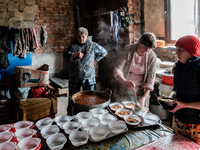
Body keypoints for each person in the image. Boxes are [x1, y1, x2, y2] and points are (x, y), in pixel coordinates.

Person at [63, 27, 107, 115]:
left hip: (89, 77)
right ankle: (71, 115)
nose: (81, 39)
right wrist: (74, 55)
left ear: (86, 36)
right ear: (76, 37)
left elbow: (104, 52)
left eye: (83, 36)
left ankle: (88, 115)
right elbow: (65, 57)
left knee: (89, 98)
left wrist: (95, 60)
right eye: (79, 37)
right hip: (75, 77)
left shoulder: (93, 45)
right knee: (73, 98)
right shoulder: (73, 46)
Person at [168, 35, 200, 145]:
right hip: (178, 119)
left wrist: (184, 105)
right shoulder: (179, 67)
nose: (177, 53)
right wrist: (171, 95)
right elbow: (177, 90)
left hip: (195, 125)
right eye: (177, 49)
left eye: (181, 50)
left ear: (192, 52)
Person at [113, 32, 157, 107]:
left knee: (139, 113)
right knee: (123, 110)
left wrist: (143, 98)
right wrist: (124, 81)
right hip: (125, 87)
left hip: (141, 90)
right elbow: (117, 69)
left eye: (150, 48)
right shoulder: (128, 50)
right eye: (144, 47)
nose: (147, 50)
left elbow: (151, 79)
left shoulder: (152, 57)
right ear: (139, 42)